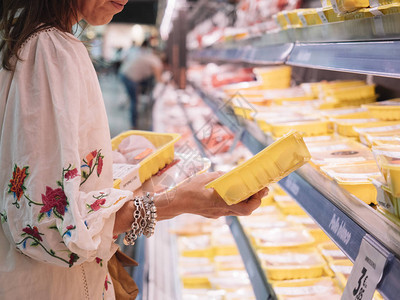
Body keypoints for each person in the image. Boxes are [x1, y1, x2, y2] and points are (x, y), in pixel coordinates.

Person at [0, 1, 267, 299]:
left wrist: (124, 183)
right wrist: (178, 201)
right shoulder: (51, 50)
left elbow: (34, 180)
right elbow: (47, 227)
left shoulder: (21, 37)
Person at [119, 39, 163, 129]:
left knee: (133, 99)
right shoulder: (157, 62)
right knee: (134, 101)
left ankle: (134, 122)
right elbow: (159, 80)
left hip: (125, 73)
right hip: (130, 77)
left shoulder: (151, 56)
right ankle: (133, 125)